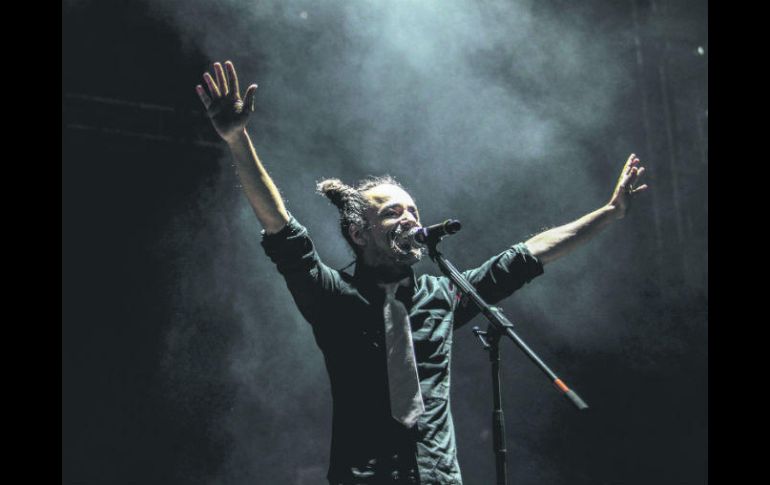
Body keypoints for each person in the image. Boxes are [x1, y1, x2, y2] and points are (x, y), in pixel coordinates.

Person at [195, 61, 648, 485]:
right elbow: (280, 228)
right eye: (393, 213)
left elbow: (527, 256)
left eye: (413, 210)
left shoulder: (443, 293)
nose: (410, 218)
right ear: (359, 232)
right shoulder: (333, 295)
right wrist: (238, 139)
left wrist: (609, 214)